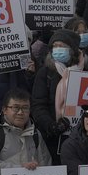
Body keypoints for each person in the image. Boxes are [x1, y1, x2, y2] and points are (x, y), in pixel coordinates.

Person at [31, 28, 83, 157]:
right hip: (51, 138)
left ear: (72, 50)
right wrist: (51, 126)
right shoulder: (45, 73)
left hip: (78, 137)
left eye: (61, 46)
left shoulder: (84, 72)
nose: (57, 49)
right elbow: (38, 104)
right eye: (54, 46)